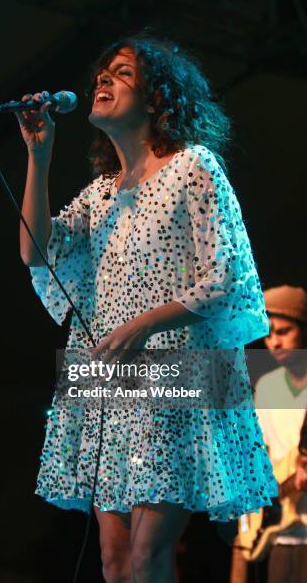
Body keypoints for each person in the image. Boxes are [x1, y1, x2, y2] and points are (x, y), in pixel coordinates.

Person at [16, 33, 277, 583]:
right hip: (111, 375)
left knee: (147, 555)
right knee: (112, 558)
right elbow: (35, 249)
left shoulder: (193, 167)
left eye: (123, 73)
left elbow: (227, 277)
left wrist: (146, 322)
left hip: (176, 368)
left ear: (158, 98)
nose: (103, 81)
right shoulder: (101, 193)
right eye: (102, 73)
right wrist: (39, 158)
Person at [254, 285, 307, 583]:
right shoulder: (267, 386)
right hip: (278, 533)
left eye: (284, 331)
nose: (274, 342)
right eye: (269, 333)